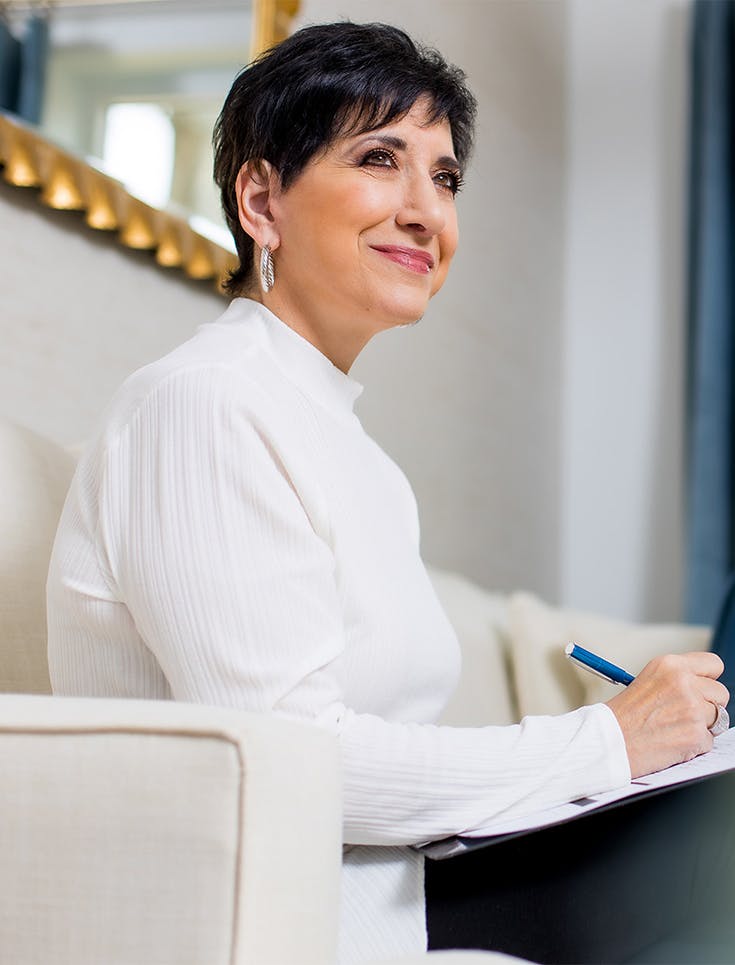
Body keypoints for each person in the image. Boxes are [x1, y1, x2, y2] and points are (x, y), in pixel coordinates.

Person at [46, 21, 732, 965]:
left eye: (445, 178)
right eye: (380, 159)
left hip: (410, 904)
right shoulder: (202, 404)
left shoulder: (352, 447)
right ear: (260, 199)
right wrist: (604, 741)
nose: (425, 211)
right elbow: (292, 762)